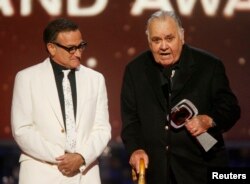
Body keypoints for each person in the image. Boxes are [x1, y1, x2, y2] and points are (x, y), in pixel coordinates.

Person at [120, 10, 240, 184]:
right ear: (149, 41)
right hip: (156, 173)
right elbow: (130, 120)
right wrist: (135, 149)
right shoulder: (135, 70)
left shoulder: (209, 66)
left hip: (201, 171)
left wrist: (208, 120)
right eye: (156, 40)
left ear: (182, 36)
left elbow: (231, 108)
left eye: (169, 38)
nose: (163, 46)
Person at [11, 18, 111, 184]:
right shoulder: (27, 78)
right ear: (51, 48)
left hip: (85, 174)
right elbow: (22, 129)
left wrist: (81, 157)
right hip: (41, 173)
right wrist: (63, 158)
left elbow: (102, 129)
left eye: (81, 46)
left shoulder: (96, 79)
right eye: (71, 48)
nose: (78, 53)